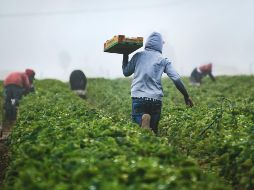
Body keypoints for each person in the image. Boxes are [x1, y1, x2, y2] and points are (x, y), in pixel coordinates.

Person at [122, 32, 193, 134]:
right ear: (160, 45)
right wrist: (186, 95)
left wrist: (125, 54)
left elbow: (126, 72)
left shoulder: (138, 56)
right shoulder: (163, 60)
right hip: (155, 99)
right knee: (154, 133)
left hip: (138, 97)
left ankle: (143, 120)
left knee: (137, 132)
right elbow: (176, 79)